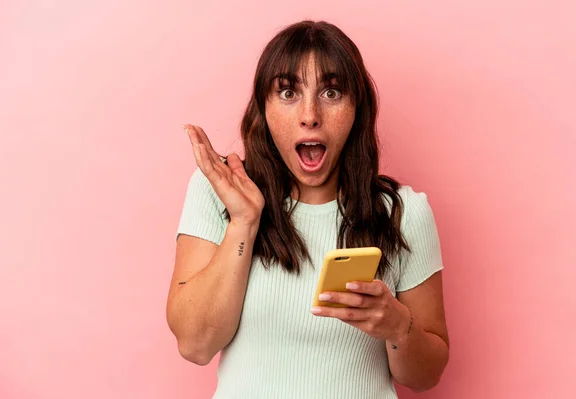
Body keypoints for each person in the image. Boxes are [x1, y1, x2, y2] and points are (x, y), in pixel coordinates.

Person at [166, 20, 449, 399]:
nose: (310, 114)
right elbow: (195, 344)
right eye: (287, 92)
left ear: (356, 109)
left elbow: (426, 376)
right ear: (263, 108)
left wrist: (399, 327)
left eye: (331, 92)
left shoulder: (404, 212)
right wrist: (244, 222)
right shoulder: (218, 192)